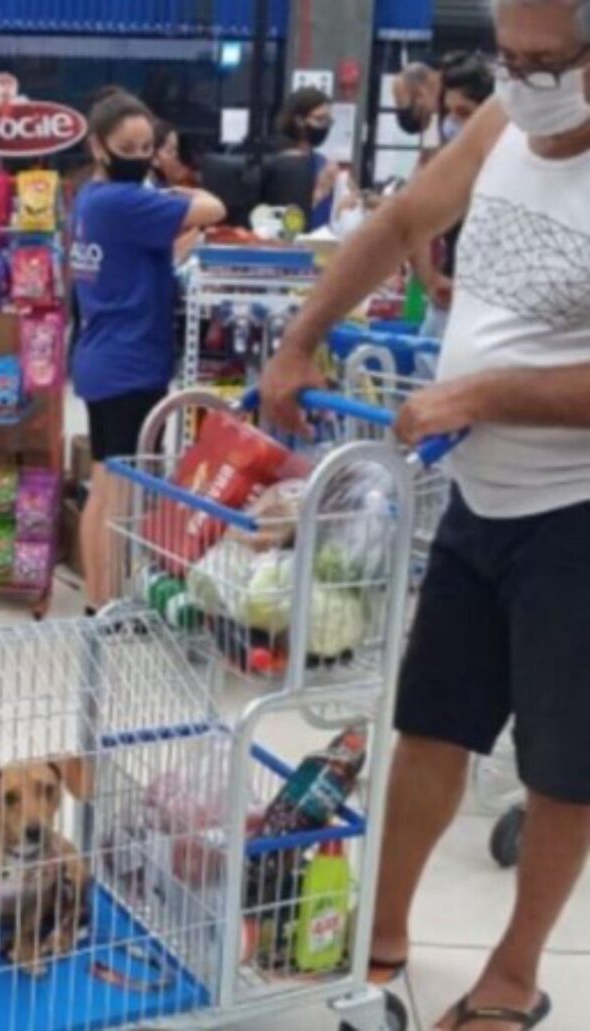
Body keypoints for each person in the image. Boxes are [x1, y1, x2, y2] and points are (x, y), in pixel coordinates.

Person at [261, 0, 590, 1027]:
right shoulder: (502, 122)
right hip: (478, 497)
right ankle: (383, 930)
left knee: (563, 765)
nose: (526, 76)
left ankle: (512, 973)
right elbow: (402, 222)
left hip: (576, 514)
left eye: (550, 60)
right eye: (511, 55)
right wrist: (297, 340)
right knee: (431, 726)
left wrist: (481, 394)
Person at [70, 92, 225, 615]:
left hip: (102, 356)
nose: (141, 156)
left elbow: (131, 258)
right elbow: (213, 207)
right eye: (128, 147)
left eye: (147, 146)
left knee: (104, 484)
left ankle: (100, 599)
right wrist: (174, 192)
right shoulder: (121, 201)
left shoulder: (90, 199)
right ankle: (106, 605)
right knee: (116, 492)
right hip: (127, 363)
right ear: (98, 146)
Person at [414, 52, 496, 338]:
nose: (452, 123)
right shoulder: (445, 166)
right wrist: (430, 279)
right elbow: (413, 222)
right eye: (447, 112)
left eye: (464, 113)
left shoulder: (507, 167)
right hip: (448, 307)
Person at [275, 87, 339, 230]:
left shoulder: (319, 160)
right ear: (299, 120)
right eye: (319, 119)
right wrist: (320, 191)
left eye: (328, 120)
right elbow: (285, 220)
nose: (325, 126)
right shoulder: (283, 160)